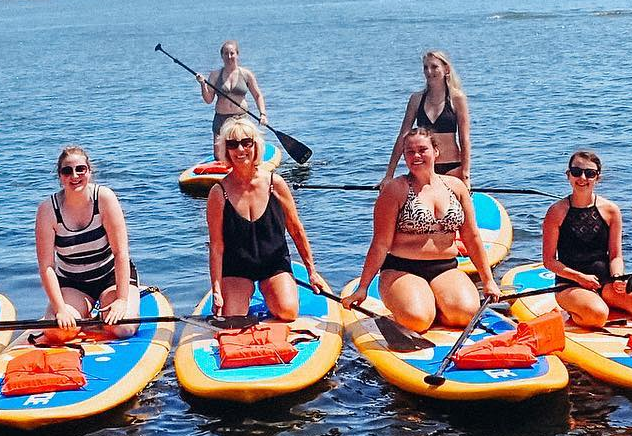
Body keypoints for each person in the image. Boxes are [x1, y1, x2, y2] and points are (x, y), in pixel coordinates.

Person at [349, 126, 498, 333]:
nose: (416, 156)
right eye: (410, 152)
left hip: (445, 268)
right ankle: (415, 304)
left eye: (422, 150)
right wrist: (363, 287)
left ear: (436, 151)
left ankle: (437, 301)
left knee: (466, 313)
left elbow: (472, 237)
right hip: (402, 269)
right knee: (418, 320)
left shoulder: (456, 187)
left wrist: (488, 280)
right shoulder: (395, 189)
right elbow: (380, 244)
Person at [205, 120, 328, 320]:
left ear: (256, 145)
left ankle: (271, 290)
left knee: (288, 312)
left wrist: (311, 271)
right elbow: (217, 247)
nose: (240, 149)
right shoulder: (219, 193)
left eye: (246, 142)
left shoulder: (275, 184)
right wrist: (216, 290)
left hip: (273, 263)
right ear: (226, 150)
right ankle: (243, 292)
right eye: (233, 144)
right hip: (236, 266)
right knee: (232, 317)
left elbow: (296, 230)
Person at [540, 150, 632, 328]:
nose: (582, 178)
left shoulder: (611, 210)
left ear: (597, 178)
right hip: (570, 283)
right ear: (568, 175)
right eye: (576, 172)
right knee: (597, 315)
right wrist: (580, 278)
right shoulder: (556, 212)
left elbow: (615, 255)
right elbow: (549, 261)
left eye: (589, 173)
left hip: (605, 282)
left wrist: (618, 276)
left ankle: (601, 301)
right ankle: (583, 310)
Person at [35, 146, 140, 341]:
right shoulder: (47, 210)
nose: (74, 176)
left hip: (110, 278)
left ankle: (105, 315)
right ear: (60, 176)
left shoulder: (104, 198)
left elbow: (121, 253)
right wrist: (60, 310)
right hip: (73, 283)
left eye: (80, 169)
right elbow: (47, 267)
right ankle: (83, 316)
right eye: (67, 171)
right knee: (57, 333)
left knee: (122, 329)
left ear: (89, 171)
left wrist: (121, 300)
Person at [383, 50, 471, 184]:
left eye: (434, 67)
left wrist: (465, 174)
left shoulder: (457, 98)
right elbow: (403, 136)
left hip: (452, 166)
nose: (429, 71)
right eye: (426, 67)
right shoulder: (416, 99)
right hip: (423, 167)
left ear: (446, 69)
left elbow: (464, 139)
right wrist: (389, 174)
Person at [196, 40, 267, 161]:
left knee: (244, 151)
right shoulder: (214, 75)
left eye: (232, 53)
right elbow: (208, 100)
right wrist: (202, 84)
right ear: (222, 56)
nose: (229, 57)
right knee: (219, 156)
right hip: (221, 119)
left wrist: (263, 114)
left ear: (237, 54)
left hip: (241, 118)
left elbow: (257, 95)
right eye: (225, 54)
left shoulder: (246, 74)